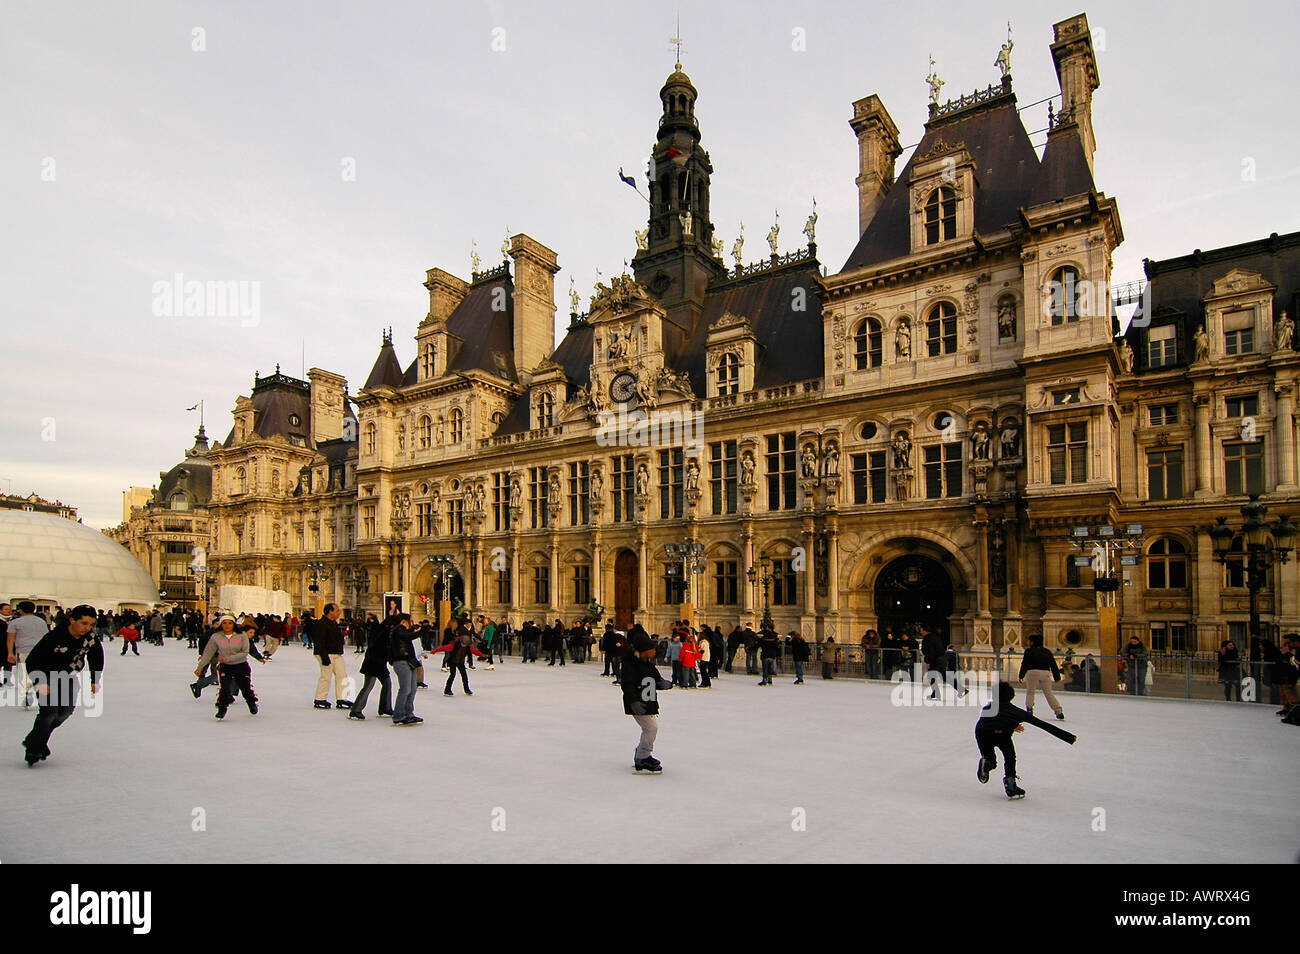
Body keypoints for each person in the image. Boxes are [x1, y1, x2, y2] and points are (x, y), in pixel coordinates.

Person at [20, 604, 103, 766]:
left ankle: (34, 739)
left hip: (69, 678)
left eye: (91, 624)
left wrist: (95, 679)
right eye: (84, 623)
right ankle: (34, 749)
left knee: (64, 713)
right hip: (47, 676)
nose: (87, 628)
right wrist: (40, 682)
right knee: (48, 713)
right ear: (72, 620)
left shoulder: (90, 638)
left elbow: (96, 656)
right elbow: (33, 660)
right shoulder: (55, 637)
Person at [975, 681, 1077, 799]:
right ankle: (1011, 785)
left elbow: (996, 718)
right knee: (1010, 757)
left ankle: (987, 764)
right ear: (1011, 696)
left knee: (990, 758)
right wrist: (1068, 737)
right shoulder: (1017, 711)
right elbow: (1042, 724)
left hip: (982, 733)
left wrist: (1012, 724)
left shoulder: (987, 707)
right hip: (1003, 735)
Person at [620, 631, 673, 773]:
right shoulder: (630, 664)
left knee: (649, 729)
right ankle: (642, 757)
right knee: (651, 728)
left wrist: (663, 683)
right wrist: (633, 702)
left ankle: (641, 754)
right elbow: (627, 684)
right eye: (652, 649)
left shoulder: (647, 662)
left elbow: (655, 677)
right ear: (644, 651)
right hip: (638, 703)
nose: (655, 651)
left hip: (648, 701)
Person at [194, 621, 264, 720]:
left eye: (230, 623)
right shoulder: (216, 636)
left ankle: (251, 703)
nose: (227, 626)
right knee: (224, 688)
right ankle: (222, 708)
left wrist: (259, 657)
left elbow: (245, 652)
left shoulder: (242, 636)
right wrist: (200, 667)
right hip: (225, 666)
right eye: (224, 623)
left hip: (241, 666)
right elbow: (208, 652)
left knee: (245, 687)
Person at [350, 616, 394, 721]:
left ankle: (385, 707)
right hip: (374, 663)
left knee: (387, 684)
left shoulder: (382, 631)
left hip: (378, 663)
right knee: (368, 686)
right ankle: (356, 710)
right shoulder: (382, 633)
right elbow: (382, 648)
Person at [7, 600, 49, 707]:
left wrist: (10, 653)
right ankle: (38, 691)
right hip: (41, 651)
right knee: (39, 672)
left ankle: (27, 691)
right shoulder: (41, 622)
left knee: (24, 674)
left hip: (24, 651)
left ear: (20, 610)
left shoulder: (15, 622)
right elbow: (47, 637)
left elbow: (10, 639)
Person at [433, 619, 488, 696]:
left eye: (465, 644)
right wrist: (434, 651)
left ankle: (467, 689)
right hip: (452, 661)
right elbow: (443, 648)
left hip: (460, 661)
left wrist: (483, 655)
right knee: (452, 675)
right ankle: (447, 690)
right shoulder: (454, 645)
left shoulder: (468, 646)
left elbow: (474, 651)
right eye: (463, 644)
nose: (464, 646)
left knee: (464, 676)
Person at [313, 603, 353, 710]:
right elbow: (319, 641)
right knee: (326, 676)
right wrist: (324, 657)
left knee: (342, 675)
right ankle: (320, 698)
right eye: (337, 611)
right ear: (330, 612)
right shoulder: (321, 624)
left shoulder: (333, 623)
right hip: (326, 653)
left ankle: (342, 698)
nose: (339, 613)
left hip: (336, 653)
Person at [387, 614, 422, 726]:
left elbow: (408, 636)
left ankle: (408, 713)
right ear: (403, 621)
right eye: (410, 621)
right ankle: (398, 715)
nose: (411, 623)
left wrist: (414, 630)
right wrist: (420, 631)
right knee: (405, 689)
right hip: (401, 661)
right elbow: (407, 637)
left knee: (412, 689)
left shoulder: (403, 631)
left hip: (409, 661)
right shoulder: (398, 630)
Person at [1019, 634, 1064, 719]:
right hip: (1045, 672)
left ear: (1032, 642)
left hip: (1033, 672)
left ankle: (1029, 709)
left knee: (1030, 692)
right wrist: (1057, 677)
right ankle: (1058, 711)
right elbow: (1053, 664)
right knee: (1048, 693)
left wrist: (1021, 675)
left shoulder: (1029, 651)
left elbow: (1025, 663)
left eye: (1029, 641)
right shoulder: (1047, 651)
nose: (1028, 642)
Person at [1274, 634, 1298, 719]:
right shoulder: (1282, 657)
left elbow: (1294, 670)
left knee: (1291, 697)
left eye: (1283, 646)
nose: (1282, 648)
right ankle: (1287, 708)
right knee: (1284, 696)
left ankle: (1294, 712)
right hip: (1283, 679)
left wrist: (1292, 681)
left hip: (1288, 680)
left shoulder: (1290, 657)